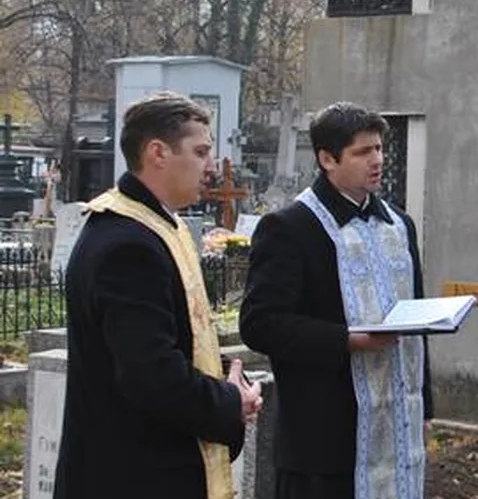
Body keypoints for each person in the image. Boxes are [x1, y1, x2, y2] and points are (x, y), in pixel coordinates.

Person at [55, 92, 262, 499]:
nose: (211, 167)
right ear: (157, 153)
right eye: (200, 152)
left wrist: (226, 378)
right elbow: (150, 375)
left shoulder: (157, 226)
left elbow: (175, 336)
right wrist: (227, 402)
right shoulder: (127, 245)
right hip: (133, 474)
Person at [241, 102, 433, 499]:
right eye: (363, 152)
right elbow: (261, 323)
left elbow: (414, 321)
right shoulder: (289, 228)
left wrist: (424, 407)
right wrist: (346, 339)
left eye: (379, 149)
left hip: (398, 424)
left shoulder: (399, 225)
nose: (376, 160)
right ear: (327, 158)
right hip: (325, 433)